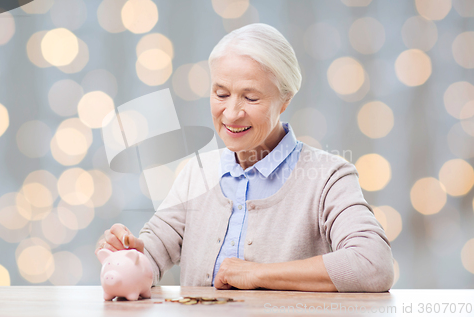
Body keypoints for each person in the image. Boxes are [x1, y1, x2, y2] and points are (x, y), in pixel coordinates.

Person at [96, 23, 394, 292]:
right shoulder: (197, 174)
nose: (232, 113)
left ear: (286, 99)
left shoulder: (328, 177)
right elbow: (152, 255)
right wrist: (129, 253)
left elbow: (373, 264)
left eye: (251, 98)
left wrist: (259, 274)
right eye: (221, 94)